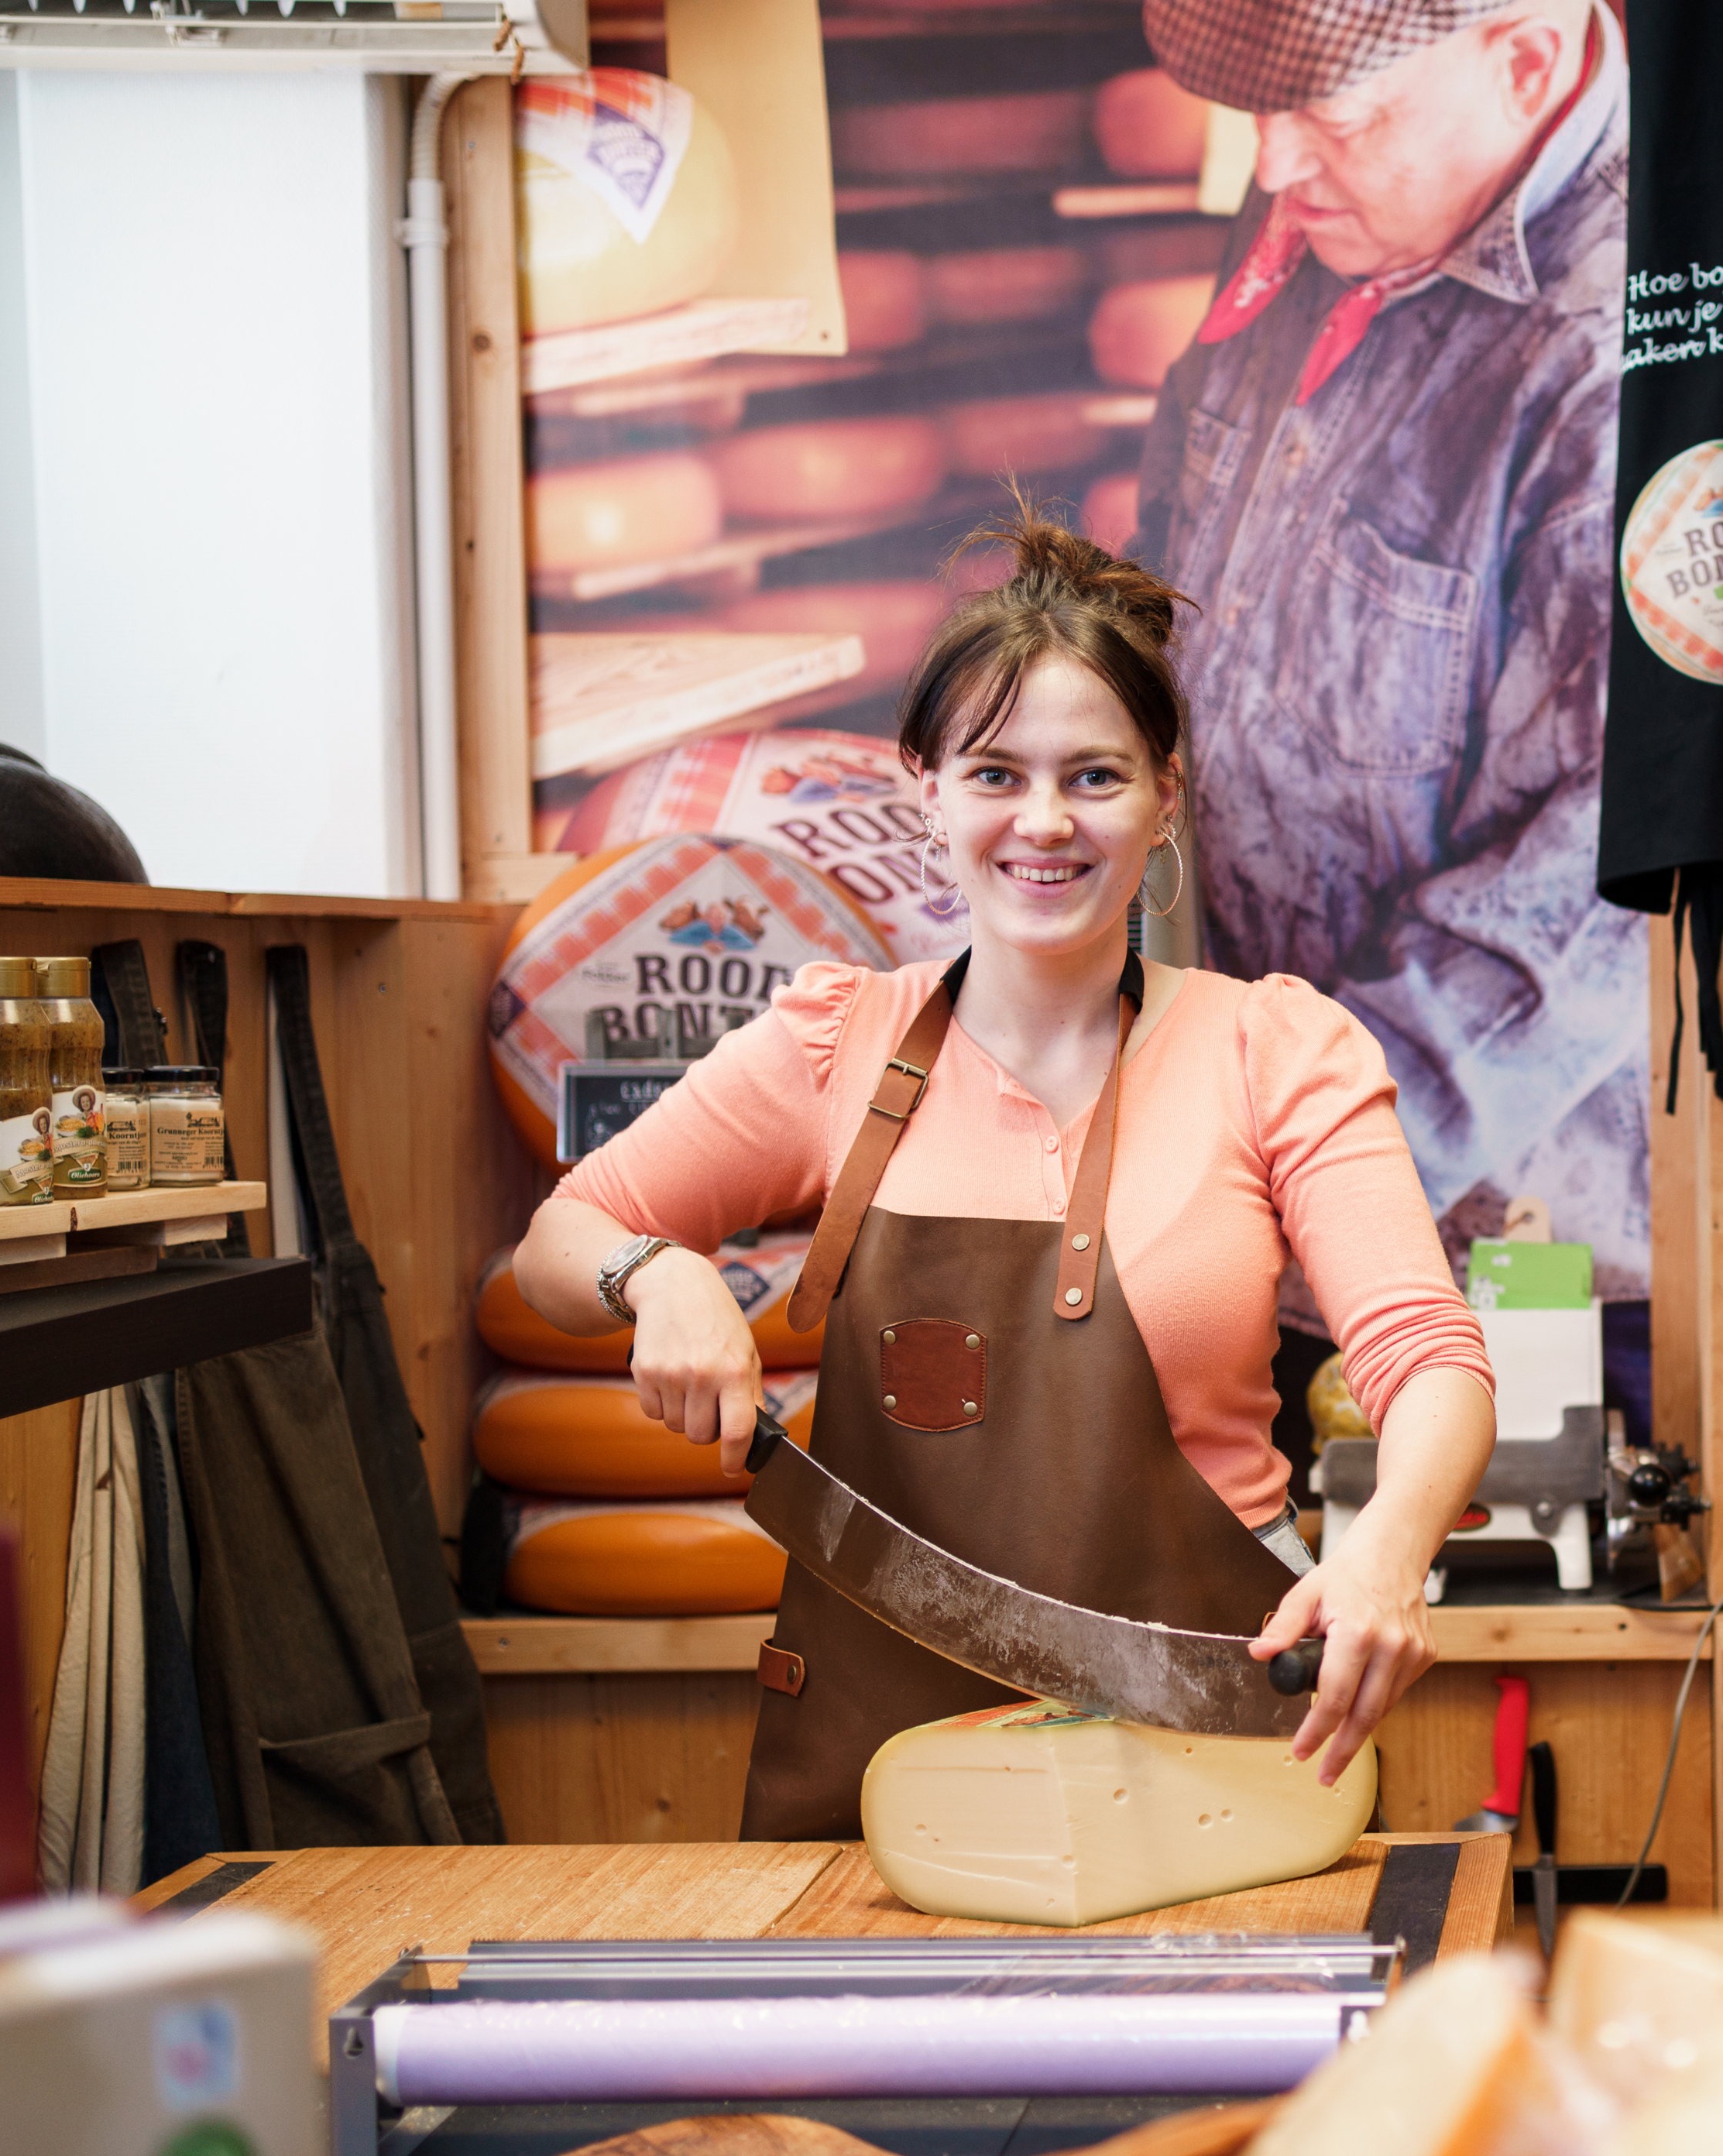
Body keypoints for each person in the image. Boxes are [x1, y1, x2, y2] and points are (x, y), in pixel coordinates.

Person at [514, 513, 1497, 1839]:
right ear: (927, 790)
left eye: (1095, 777)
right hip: (884, 1778)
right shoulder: (833, 1044)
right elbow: (558, 1246)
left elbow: (1427, 1352)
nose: (1045, 823)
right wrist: (656, 1269)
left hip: (1201, 1762)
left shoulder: (1275, 1049)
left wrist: (1387, 1548)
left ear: (1164, 799)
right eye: (995, 773)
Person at [1131, 0, 1645, 1304]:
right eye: (1259, 112)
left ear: (1525, 60)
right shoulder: (1345, 210)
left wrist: (1304, 1167)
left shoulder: (1623, 344)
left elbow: (1612, 877)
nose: (1272, 167)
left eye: (1333, 118)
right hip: (1228, 1213)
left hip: (1491, 1258)